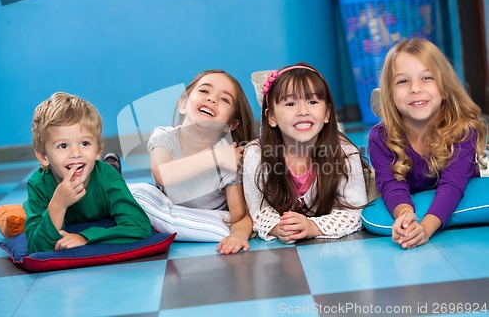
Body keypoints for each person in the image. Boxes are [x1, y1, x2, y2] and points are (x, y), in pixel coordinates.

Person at [369, 38, 488, 249]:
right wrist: (405, 216)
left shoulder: (463, 130)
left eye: (427, 78)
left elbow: (452, 185)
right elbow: (391, 184)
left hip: (459, 184)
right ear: (390, 94)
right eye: (402, 81)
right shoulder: (379, 138)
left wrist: (425, 228)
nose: (415, 88)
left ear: (444, 89)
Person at [242, 62, 368, 244]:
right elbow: (258, 210)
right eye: (290, 103)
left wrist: (311, 227)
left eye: (313, 102)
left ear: (327, 114)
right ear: (271, 117)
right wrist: (281, 228)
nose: (303, 111)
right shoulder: (256, 154)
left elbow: (354, 212)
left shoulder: (346, 153)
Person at [135, 69, 256, 254]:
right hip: (166, 210)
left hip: (205, 220)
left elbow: (239, 216)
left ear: (229, 125)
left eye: (224, 99)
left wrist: (238, 235)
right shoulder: (165, 137)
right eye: (204, 91)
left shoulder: (228, 157)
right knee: (137, 193)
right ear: (183, 104)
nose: (212, 99)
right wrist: (216, 157)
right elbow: (163, 175)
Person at [24, 92, 152, 253]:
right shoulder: (38, 184)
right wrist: (58, 204)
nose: (76, 153)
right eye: (63, 146)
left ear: (98, 150)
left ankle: (111, 165)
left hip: (104, 178)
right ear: (43, 156)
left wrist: (85, 237)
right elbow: (37, 246)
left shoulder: (108, 180)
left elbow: (139, 226)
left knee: (112, 177)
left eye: (85, 143)